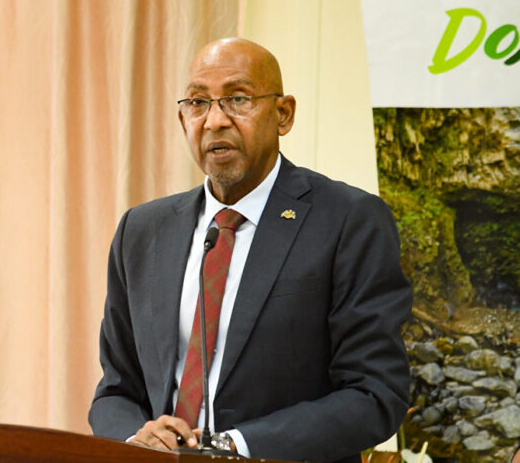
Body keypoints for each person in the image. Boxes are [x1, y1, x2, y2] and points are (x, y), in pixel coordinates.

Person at [88, 38, 411, 463]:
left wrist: (234, 447)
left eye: (238, 99)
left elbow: (375, 393)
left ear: (283, 114)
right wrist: (138, 440)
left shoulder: (349, 221)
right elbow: (116, 390)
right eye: (198, 103)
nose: (215, 121)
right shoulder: (143, 230)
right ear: (183, 118)